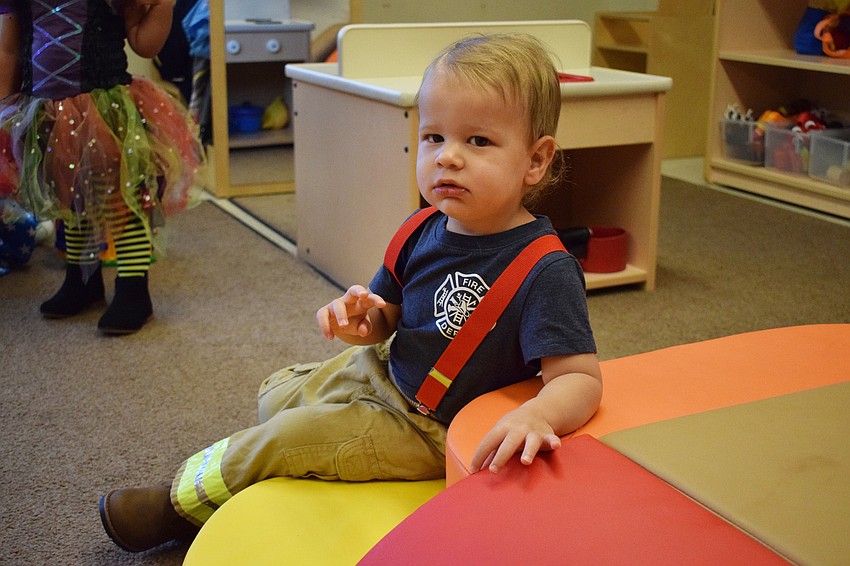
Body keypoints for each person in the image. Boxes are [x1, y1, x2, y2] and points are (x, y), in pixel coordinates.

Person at [98, 33, 602, 553]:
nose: (447, 158)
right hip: (385, 369)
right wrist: (365, 318)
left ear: (536, 161)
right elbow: (388, 316)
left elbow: (580, 378)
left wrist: (536, 415)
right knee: (274, 392)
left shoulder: (545, 269)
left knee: (283, 437)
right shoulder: (424, 225)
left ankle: (178, 505)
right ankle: (302, 452)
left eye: (477, 142)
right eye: (433, 137)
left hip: (431, 427)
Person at [0, 0, 205, 334]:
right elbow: (9, 49)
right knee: (70, 199)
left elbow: (144, 42)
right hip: (45, 111)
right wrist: (5, 109)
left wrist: (163, 5)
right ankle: (83, 280)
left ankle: (134, 289)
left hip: (105, 108)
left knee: (119, 199)